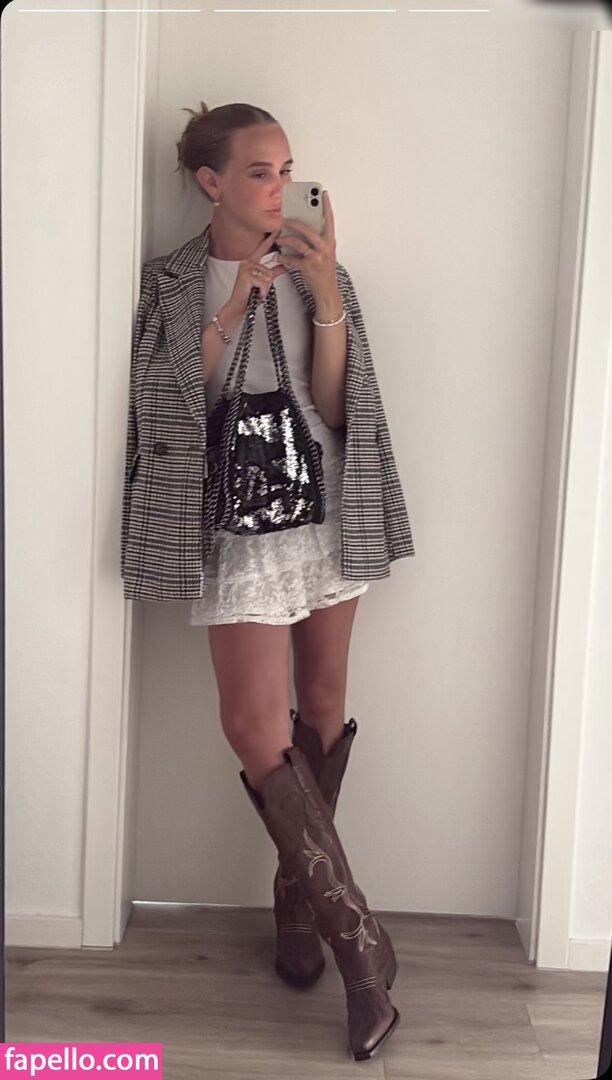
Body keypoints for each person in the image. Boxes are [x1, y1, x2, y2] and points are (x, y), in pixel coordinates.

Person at [122, 100, 415, 1062]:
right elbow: (171, 402)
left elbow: (334, 406)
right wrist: (234, 303)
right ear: (211, 182)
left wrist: (323, 293)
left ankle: (299, 910)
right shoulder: (171, 281)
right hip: (234, 515)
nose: (280, 188)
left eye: (287, 170)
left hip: (323, 502)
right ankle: (360, 947)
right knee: (254, 726)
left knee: (321, 705)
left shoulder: (321, 269)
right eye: (259, 171)